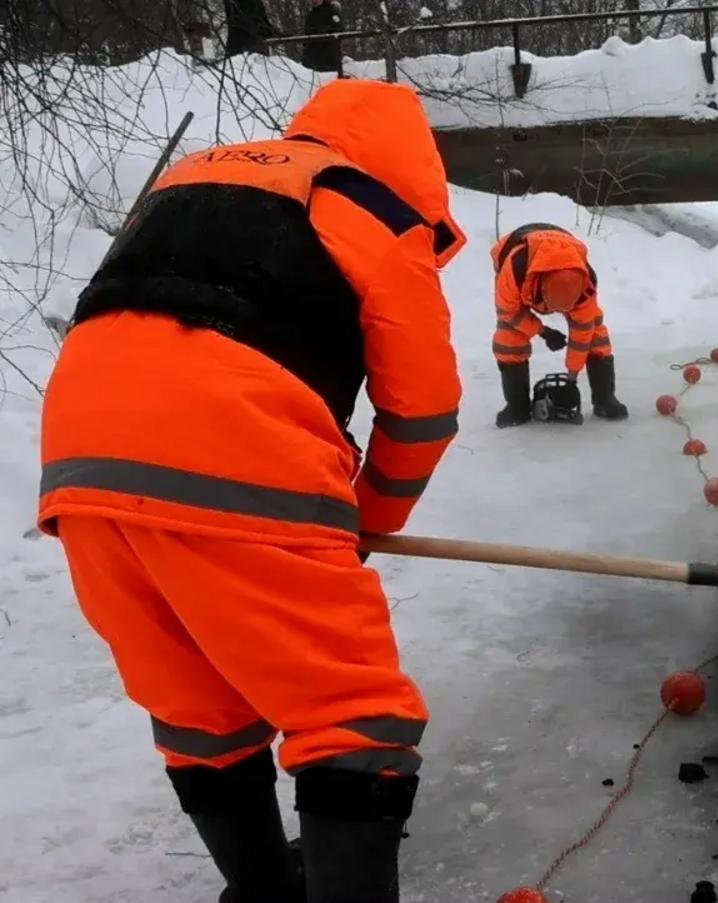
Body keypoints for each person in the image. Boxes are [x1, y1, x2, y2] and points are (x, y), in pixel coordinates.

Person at [37, 77, 466, 903]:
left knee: (194, 699)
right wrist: (362, 523)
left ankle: (266, 889)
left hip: (77, 459)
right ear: (414, 164)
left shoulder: (190, 179)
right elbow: (423, 415)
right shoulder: (372, 209)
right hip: (231, 443)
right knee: (351, 710)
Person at [490, 223, 629, 426]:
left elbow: (582, 333)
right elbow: (509, 312)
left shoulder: (586, 284)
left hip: (565, 249)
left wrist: (571, 380)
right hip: (521, 255)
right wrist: (543, 331)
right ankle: (516, 407)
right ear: (541, 290)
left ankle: (605, 399)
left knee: (595, 333)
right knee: (508, 338)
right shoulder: (515, 269)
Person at [300, 0, 343, 74]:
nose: (314, 1)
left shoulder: (332, 12)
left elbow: (339, 30)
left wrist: (320, 35)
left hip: (328, 60)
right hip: (310, 61)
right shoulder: (310, 14)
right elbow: (307, 32)